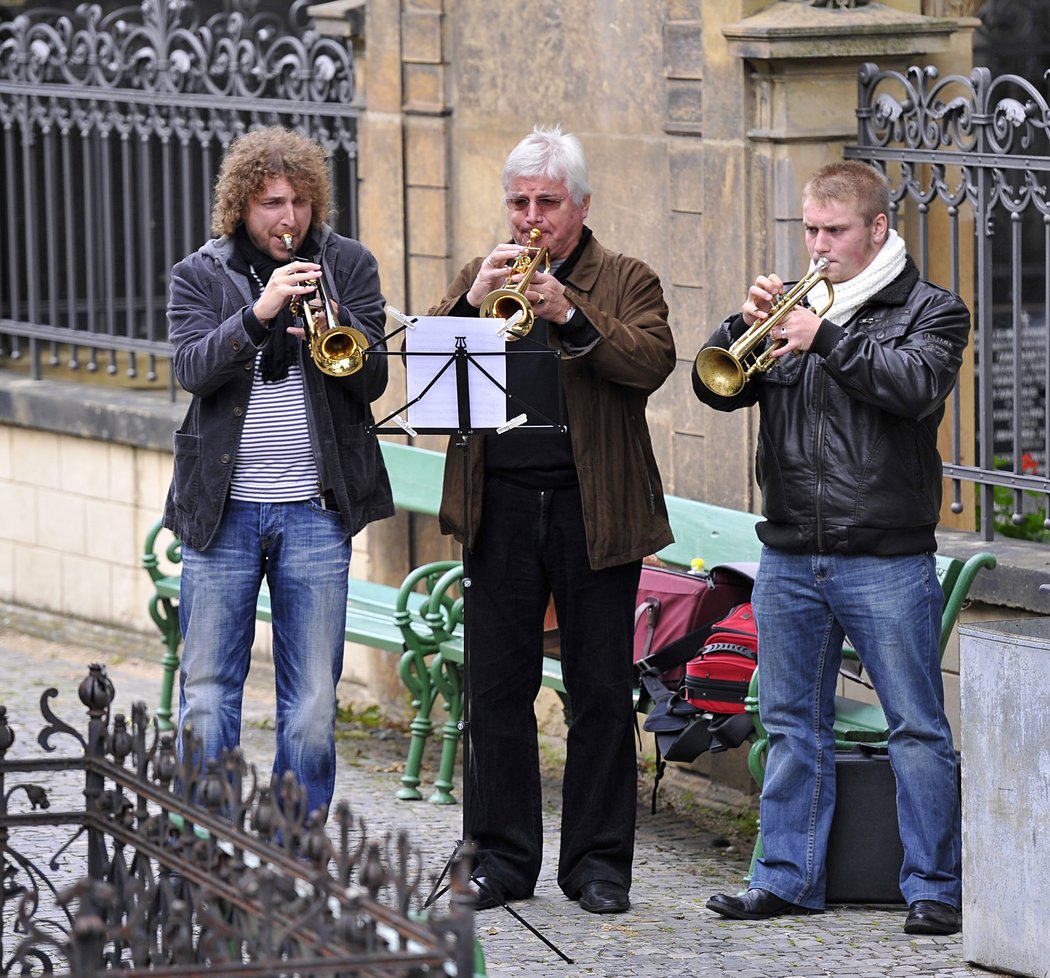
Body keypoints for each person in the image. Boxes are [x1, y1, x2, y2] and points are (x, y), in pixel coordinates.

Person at [693, 161, 970, 936]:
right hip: (789, 551)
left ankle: (934, 887)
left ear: (877, 229)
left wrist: (827, 338)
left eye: (834, 231)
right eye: (810, 229)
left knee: (914, 724)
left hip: (884, 554)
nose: (818, 246)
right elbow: (716, 388)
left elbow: (913, 388)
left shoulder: (933, 310)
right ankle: (785, 877)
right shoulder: (796, 310)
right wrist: (733, 330)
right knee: (790, 720)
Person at [428, 125, 676, 914]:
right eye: (518, 201)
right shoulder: (484, 272)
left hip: (592, 510)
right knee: (495, 690)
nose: (530, 219)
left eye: (547, 203)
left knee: (600, 691)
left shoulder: (626, 276)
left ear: (581, 205)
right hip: (498, 506)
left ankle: (598, 867)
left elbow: (650, 362)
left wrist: (570, 312)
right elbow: (432, 367)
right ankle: (498, 860)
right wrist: (471, 302)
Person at [163, 126, 393, 821]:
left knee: (314, 700)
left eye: (296, 201)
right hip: (222, 510)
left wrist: (332, 318)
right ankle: (206, 838)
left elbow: (373, 375)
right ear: (241, 206)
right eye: (269, 202)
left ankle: (296, 847)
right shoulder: (199, 274)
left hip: (315, 511)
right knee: (206, 688)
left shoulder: (348, 264)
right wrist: (259, 315)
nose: (285, 218)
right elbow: (192, 369)